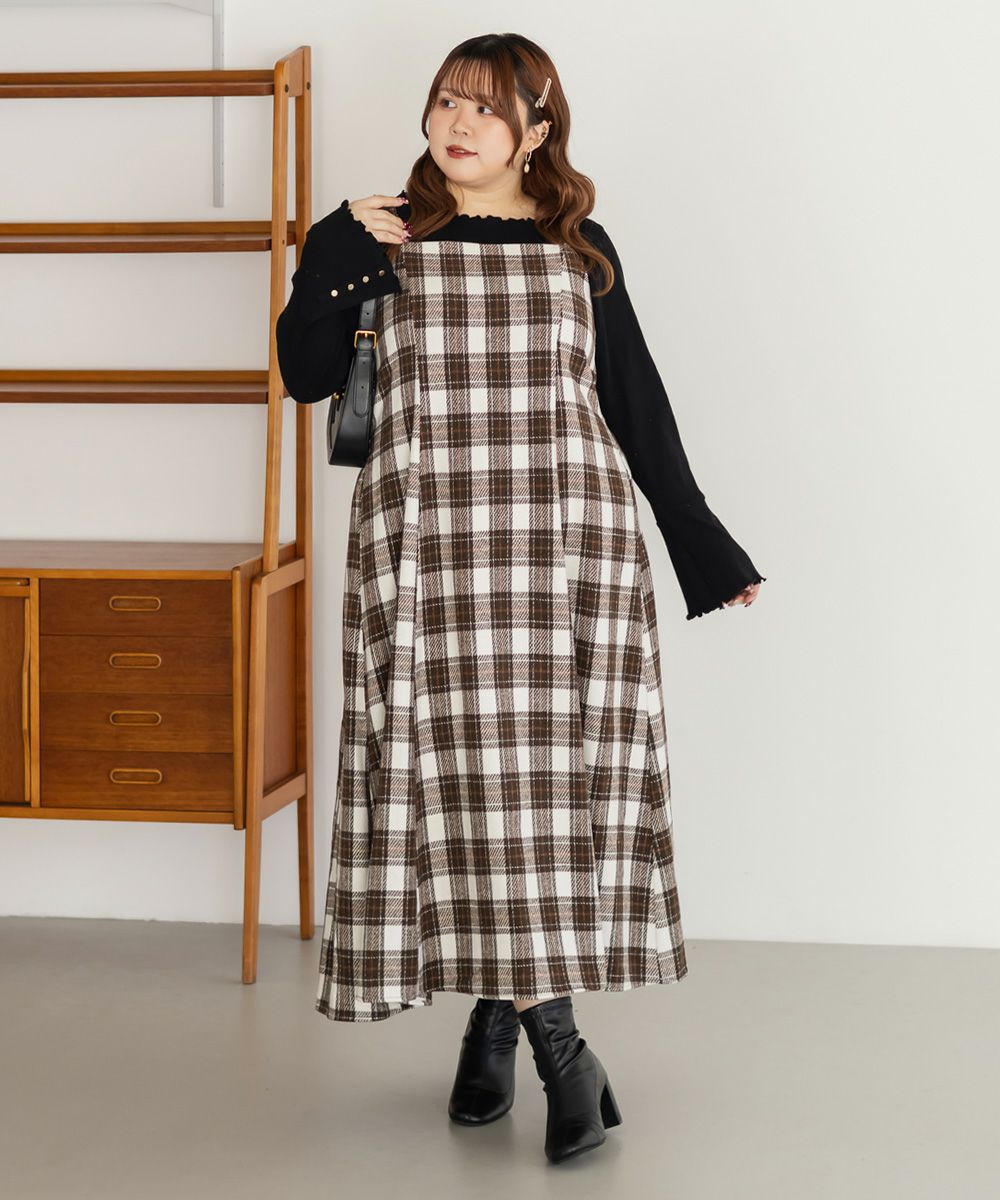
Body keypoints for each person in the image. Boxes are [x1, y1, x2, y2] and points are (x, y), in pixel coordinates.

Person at [276, 33, 766, 1165]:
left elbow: (635, 406)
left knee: (538, 799)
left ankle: (506, 1030)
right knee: (459, 790)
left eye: (487, 109)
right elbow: (305, 374)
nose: (458, 124)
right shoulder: (380, 237)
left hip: (563, 551)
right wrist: (335, 245)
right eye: (446, 101)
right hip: (424, 554)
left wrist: (702, 547)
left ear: (536, 133)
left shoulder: (577, 246)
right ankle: (561, 1049)